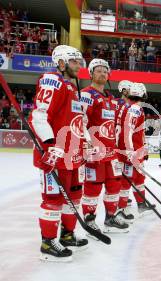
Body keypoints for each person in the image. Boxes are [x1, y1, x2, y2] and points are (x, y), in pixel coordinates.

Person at [29, 45, 87, 262]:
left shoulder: (71, 87)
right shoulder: (52, 80)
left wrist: (87, 142)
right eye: (74, 62)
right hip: (55, 154)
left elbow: (77, 122)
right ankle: (48, 242)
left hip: (72, 155)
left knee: (73, 197)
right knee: (53, 200)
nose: (78, 66)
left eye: (80, 62)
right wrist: (49, 144)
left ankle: (68, 234)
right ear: (61, 63)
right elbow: (39, 115)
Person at [80, 58, 129, 234]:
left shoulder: (110, 98)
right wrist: (86, 144)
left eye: (104, 70)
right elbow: (81, 121)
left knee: (115, 184)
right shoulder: (86, 94)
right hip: (95, 152)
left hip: (111, 153)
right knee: (93, 186)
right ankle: (90, 219)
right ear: (91, 74)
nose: (102, 73)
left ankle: (110, 216)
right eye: (98, 70)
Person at [116, 82, 152, 220]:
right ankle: (121, 208)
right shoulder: (135, 108)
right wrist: (130, 151)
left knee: (138, 178)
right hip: (130, 152)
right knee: (126, 182)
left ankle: (141, 203)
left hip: (134, 151)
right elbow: (128, 131)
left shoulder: (128, 106)